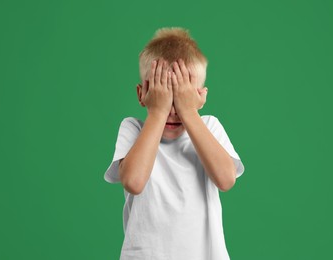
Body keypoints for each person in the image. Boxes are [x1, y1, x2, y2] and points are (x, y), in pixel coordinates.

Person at [104, 27, 245, 260]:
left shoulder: (209, 127)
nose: (172, 111)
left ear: (200, 97)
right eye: (163, 97)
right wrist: (157, 113)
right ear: (142, 95)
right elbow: (133, 182)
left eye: (181, 97)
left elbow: (225, 179)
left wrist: (189, 111)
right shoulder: (134, 129)